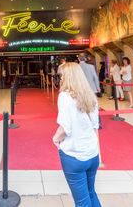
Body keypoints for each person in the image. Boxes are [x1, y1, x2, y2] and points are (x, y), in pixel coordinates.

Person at [53, 62, 101, 207]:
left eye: (61, 76)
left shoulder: (65, 96)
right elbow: (95, 127)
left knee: (81, 201)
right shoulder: (90, 96)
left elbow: (64, 128)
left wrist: (55, 139)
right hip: (92, 154)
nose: (60, 79)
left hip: (74, 155)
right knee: (91, 192)